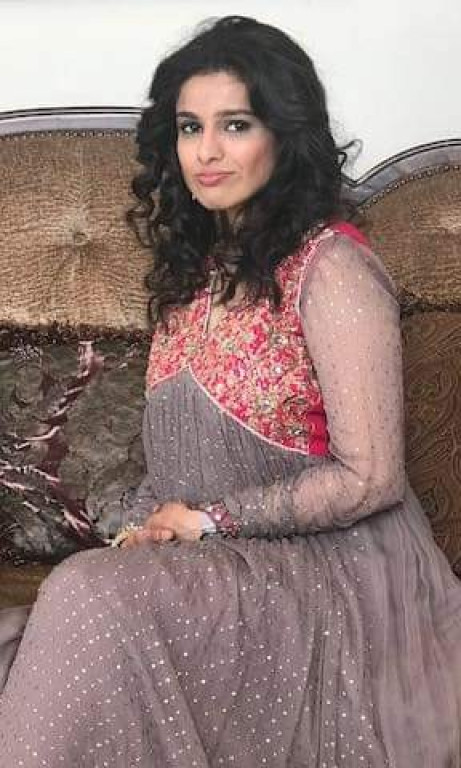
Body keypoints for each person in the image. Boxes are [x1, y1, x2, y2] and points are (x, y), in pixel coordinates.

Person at [1, 15, 460, 767]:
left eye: (235, 125)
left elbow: (373, 477)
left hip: (335, 576)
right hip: (220, 560)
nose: (207, 151)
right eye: (190, 127)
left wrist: (212, 521)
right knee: (50, 628)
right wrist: (146, 528)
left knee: (88, 597)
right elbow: (177, 473)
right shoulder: (189, 283)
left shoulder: (332, 271)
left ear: (284, 135)